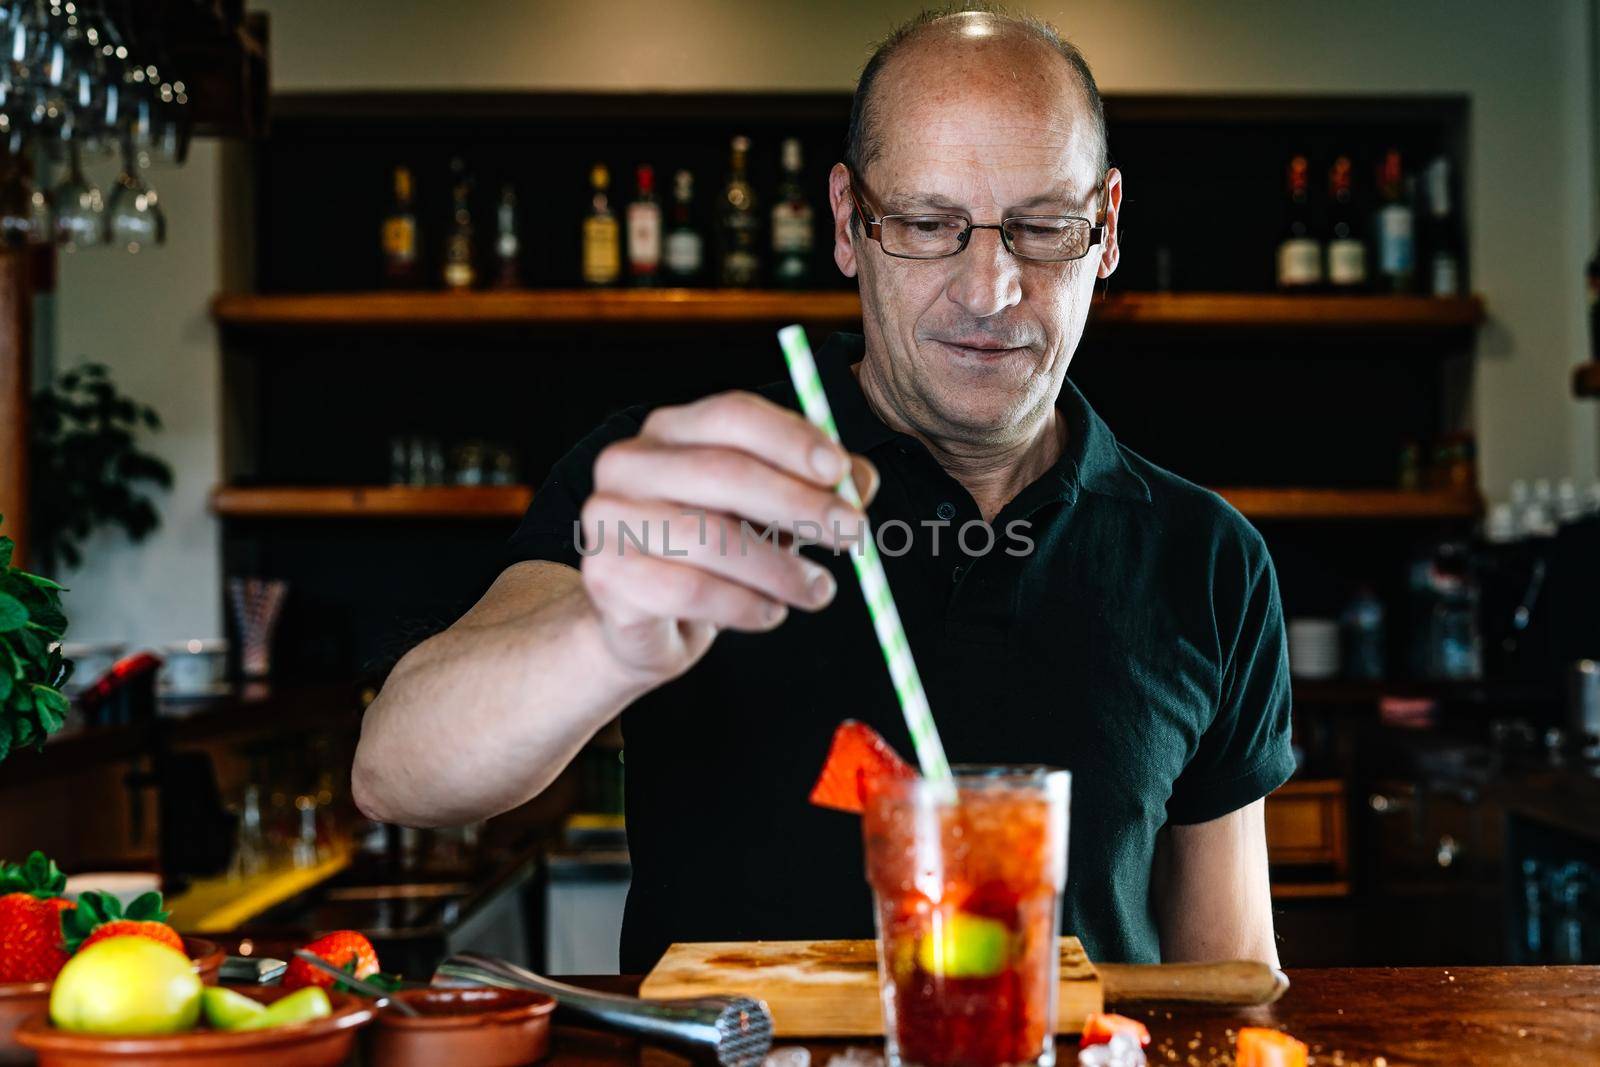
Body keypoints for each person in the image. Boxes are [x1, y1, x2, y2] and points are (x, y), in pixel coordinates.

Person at [353, 5, 1294, 973]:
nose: (989, 288)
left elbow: (1226, 971)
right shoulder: (684, 480)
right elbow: (399, 775)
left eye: (1043, 227)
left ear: (1106, 230)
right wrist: (603, 634)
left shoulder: (1206, 552)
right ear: (848, 223)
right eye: (926, 225)